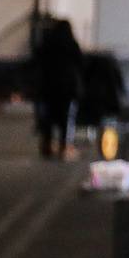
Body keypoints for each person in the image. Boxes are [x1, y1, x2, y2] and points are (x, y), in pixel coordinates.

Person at [31, 14, 84, 159]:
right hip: (67, 88)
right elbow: (80, 62)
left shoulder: (46, 43)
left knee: (48, 117)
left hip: (48, 86)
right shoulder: (72, 44)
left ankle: (47, 145)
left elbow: (36, 60)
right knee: (66, 118)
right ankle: (65, 147)